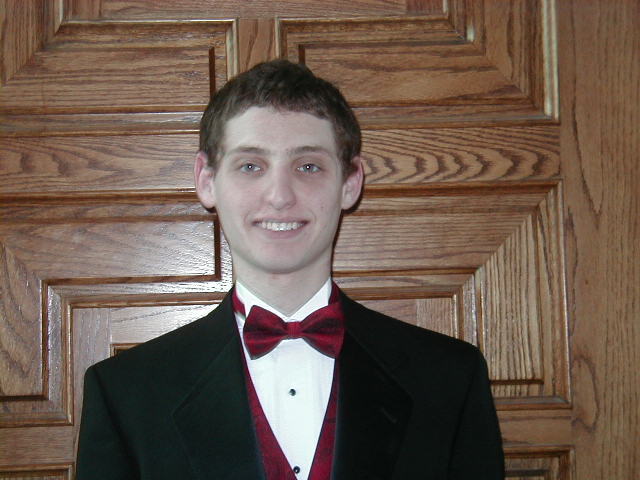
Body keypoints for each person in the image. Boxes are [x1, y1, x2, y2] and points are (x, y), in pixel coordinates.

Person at [76, 59, 504, 479]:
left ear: (350, 182)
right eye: (250, 166)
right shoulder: (124, 394)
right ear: (206, 181)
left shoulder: (449, 379)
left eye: (308, 166)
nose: (280, 196)